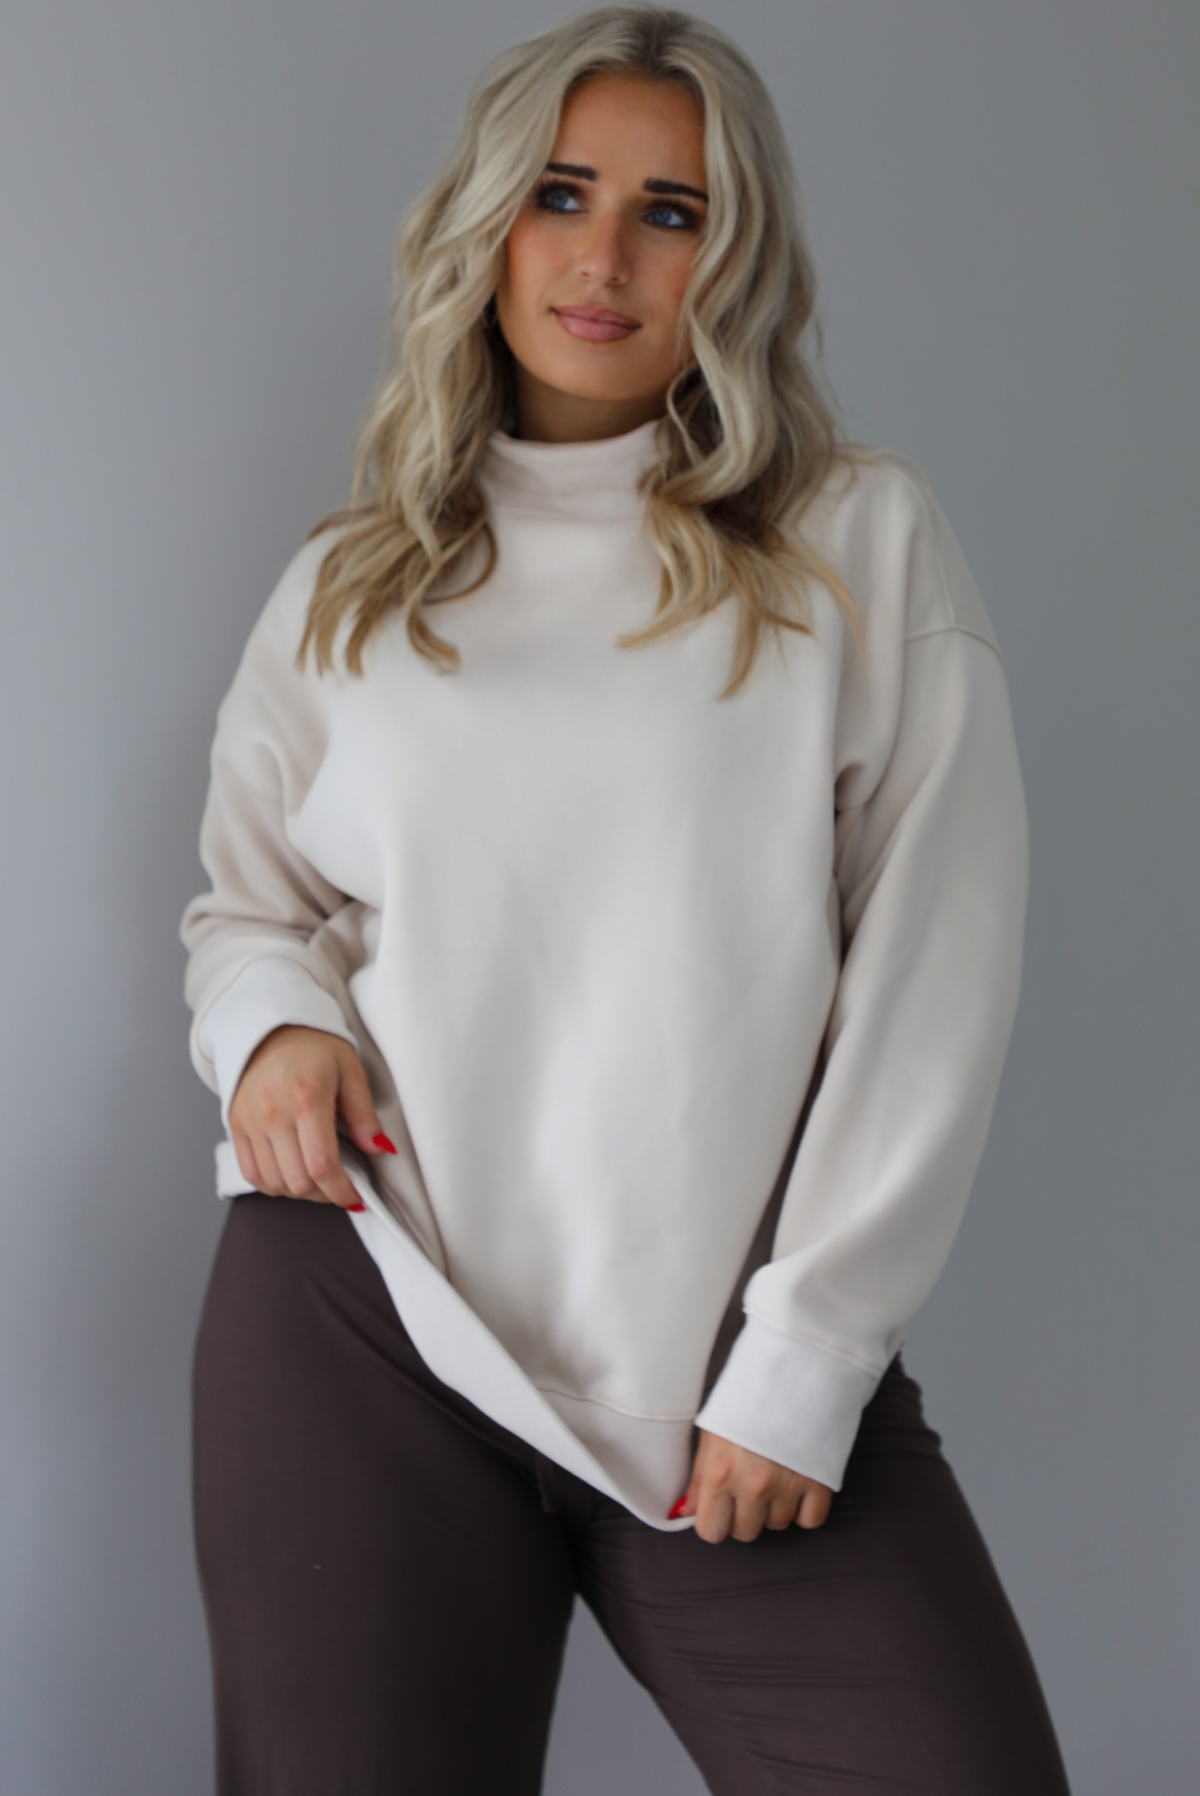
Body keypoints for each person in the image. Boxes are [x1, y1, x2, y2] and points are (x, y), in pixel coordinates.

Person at [180, 7, 1072, 1792]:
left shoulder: (854, 542)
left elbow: (933, 971)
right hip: (367, 1309)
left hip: (726, 1358)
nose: (603, 255)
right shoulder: (352, 582)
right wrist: (268, 1029)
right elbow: (246, 903)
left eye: (672, 210)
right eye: (562, 193)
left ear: (733, 256)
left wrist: (808, 1359)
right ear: (488, 221)